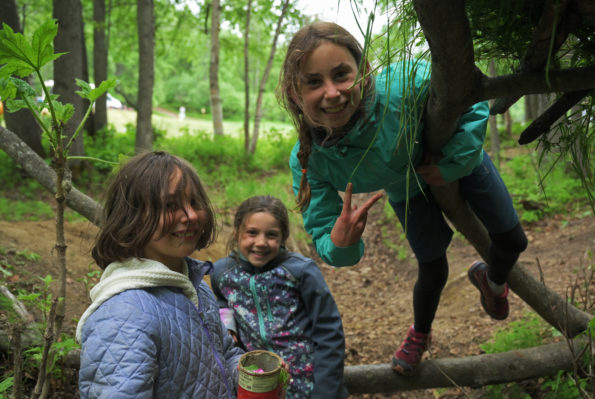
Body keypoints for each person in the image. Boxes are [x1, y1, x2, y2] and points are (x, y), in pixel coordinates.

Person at [277, 21, 528, 376]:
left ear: (363, 71)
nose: (332, 93)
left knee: (513, 239)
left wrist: (455, 162)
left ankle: (493, 281)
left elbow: (470, 95)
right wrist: (340, 242)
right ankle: (420, 334)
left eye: (341, 74)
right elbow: (322, 231)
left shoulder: (405, 83)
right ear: (294, 91)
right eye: (314, 82)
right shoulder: (310, 158)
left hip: (461, 160)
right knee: (432, 266)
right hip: (405, 189)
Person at [77, 150, 244, 398]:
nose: (191, 216)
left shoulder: (195, 285)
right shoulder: (124, 316)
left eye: (194, 202)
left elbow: (225, 353)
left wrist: (250, 374)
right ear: (131, 218)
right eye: (169, 206)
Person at [210, 195, 347, 399]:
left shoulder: (301, 272)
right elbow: (222, 301)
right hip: (259, 386)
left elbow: (329, 331)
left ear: (283, 237)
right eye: (252, 233)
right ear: (237, 232)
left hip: (308, 385)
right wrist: (228, 325)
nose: (261, 242)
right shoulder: (222, 273)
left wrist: (326, 391)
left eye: (271, 235)